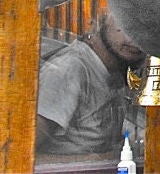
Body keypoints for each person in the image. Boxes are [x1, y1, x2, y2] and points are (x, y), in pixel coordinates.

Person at [36, 9, 145, 157]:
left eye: (144, 29)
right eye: (124, 23)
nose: (135, 38)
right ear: (97, 23)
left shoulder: (117, 70)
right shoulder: (70, 69)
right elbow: (24, 150)